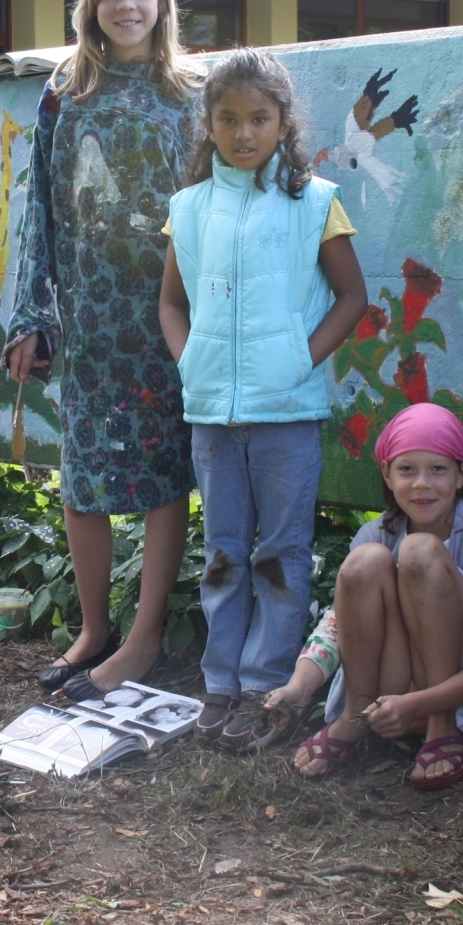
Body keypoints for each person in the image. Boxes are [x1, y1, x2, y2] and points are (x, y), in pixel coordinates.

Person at [4, 0, 202, 698]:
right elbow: (37, 206)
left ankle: (144, 637)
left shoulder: (190, 89)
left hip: (167, 313)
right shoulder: (64, 90)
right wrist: (33, 313)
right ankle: (94, 629)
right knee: (81, 476)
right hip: (89, 316)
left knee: (160, 471)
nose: (126, 5)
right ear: (89, 2)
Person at [159, 47, 368, 743]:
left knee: (280, 553)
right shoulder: (188, 208)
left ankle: (266, 686)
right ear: (208, 125)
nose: (243, 132)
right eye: (227, 119)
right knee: (222, 551)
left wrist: (297, 361)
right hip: (211, 417)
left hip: (288, 415)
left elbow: (352, 297)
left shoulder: (316, 203)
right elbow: (171, 303)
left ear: (283, 123)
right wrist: (192, 363)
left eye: (258, 118)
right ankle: (220, 682)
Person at [273, 404, 463, 787]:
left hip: (455, 696)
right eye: (407, 469)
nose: (422, 483)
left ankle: (442, 725)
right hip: (387, 694)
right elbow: (337, 623)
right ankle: (355, 717)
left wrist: (417, 703)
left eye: (438, 469)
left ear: (461, 474)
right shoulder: (376, 535)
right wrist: (300, 685)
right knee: (364, 561)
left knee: (419, 551)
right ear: (387, 474)